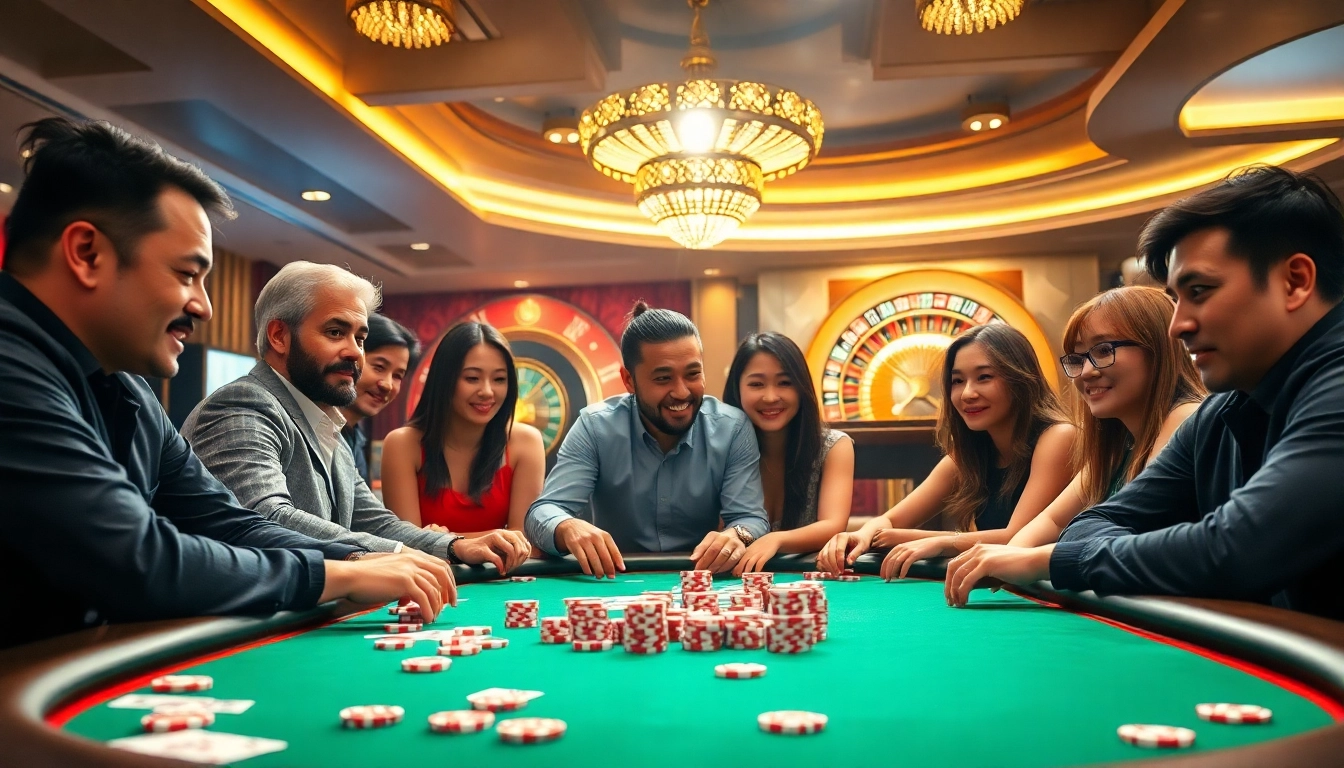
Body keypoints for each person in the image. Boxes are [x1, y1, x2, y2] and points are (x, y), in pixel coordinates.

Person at [0, 118, 453, 648]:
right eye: (187, 274)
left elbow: (229, 523)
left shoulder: (130, 392)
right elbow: (137, 559)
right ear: (87, 254)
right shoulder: (10, 365)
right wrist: (339, 576)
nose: (204, 306)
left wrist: (363, 559)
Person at [944, 166, 1344, 620]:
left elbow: (1238, 547)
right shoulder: (1221, 413)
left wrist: (1044, 561)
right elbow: (1089, 526)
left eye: (1200, 291)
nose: (1178, 326)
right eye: (1176, 299)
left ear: (1295, 281)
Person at [181, 261, 530, 573]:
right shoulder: (242, 404)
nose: (354, 352)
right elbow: (267, 518)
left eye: (360, 338)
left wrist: (454, 546)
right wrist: (395, 555)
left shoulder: (328, 424)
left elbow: (377, 523)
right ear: (279, 336)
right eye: (335, 332)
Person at [925, 287, 1203, 599]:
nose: (1086, 372)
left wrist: (1029, 559)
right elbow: (1053, 520)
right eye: (1079, 358)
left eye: (1102, 350)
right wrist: (999, 566)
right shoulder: (1116, 445)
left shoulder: (1186, 416)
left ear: (1158, 347)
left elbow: (1133, 526)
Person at [524, 301, 769, 577]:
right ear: (629, 380)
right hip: (615, 581)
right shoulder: (595, 427)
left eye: (692, 374)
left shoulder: (733, 428)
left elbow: (751, 518)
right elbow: (541, 513)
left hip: (701, 581)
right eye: (663, 378)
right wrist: (566, 527)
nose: (681, 392)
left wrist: (738, 534)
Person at [816, 323, 1076, 577]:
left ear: (1019, 378)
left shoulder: (1059, 437)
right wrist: (862, 535)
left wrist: (934, 541)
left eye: (984, 377)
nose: (967, 393)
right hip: (1007, 588)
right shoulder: (969, 454)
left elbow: (1016, 538)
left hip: (1057, 593)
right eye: (957, 381)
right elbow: (890, 521)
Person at [381, 322, 545, 544]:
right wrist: (491, 538)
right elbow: (407, 543)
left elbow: (523, 540)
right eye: (472, 378)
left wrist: (442, 539)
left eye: (499, 379)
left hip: (503, 577)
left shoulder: (526, 442)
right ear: (445, 380)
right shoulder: (402, 444)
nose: (487, 391)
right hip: (428, 577)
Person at [722, 332, 854, 575]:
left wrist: (776, 540)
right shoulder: (721, 448)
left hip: (808, 585)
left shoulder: (834, 446)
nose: (771, 397)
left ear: (802, 387)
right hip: (733, 584)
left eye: (784, 383)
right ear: (737, 389)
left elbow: (833, 525)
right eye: (756, 384)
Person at [339, 313, 419, 483]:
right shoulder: (307, 430)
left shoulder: (355, 439)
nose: (388, 385)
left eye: (398, 376)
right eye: (379, 367)